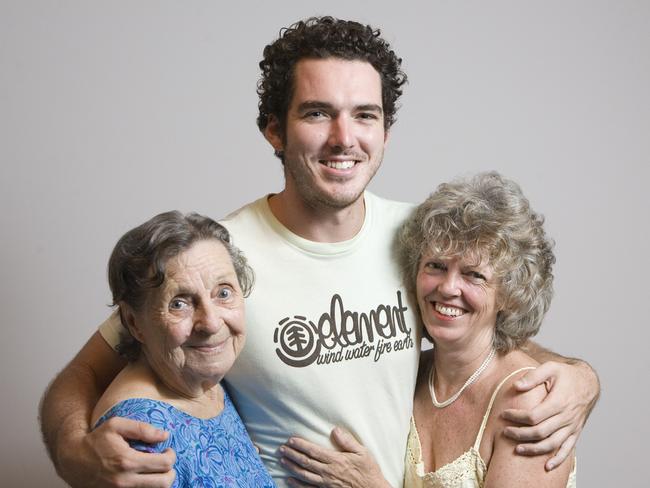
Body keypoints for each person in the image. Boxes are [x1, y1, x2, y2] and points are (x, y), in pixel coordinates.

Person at [39, 17, 599, 488]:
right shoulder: (219, 260)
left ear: (385, 131)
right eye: (316, 113)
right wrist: (73, 451)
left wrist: (580, 378)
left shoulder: (422, 239)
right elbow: (84, 373)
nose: (343, 137)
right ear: (273, 130)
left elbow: (495, 338)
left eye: (364, 114)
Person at [279, 173, 579, 487]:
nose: (448, 288)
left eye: (473, 275)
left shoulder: (529, 402)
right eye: (436, 266)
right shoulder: (410, 373)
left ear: (507, 293)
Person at [90, 211, 274, 487]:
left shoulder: (201, 381)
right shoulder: (140, 433)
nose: (211, 323)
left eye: (223, 293)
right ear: (133, 322)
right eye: (179, 303)